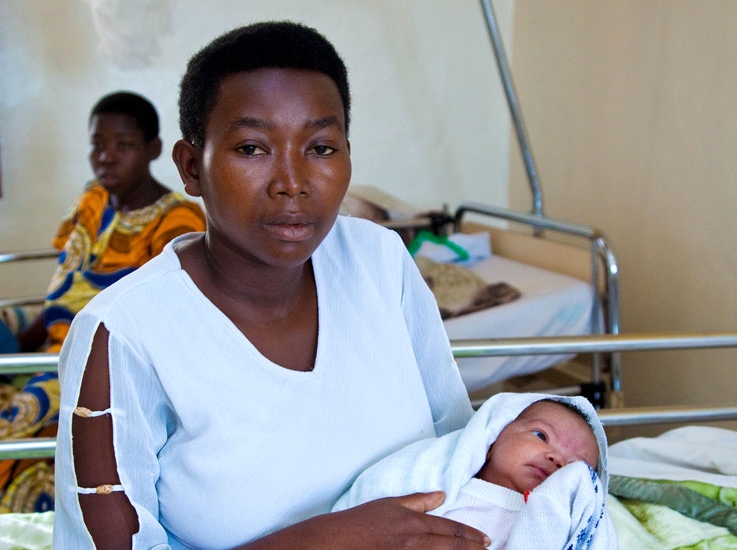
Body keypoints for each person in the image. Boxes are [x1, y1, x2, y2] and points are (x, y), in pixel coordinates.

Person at [53, 21, 490, 550]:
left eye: (322, 148)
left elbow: (457, 451)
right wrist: (330, 539)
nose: (293, 182)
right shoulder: (123, 333)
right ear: (192, 168)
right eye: (253, 148)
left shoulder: (379, 260)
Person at [0, 91, 207, 514]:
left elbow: (175, 323)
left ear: (154, 150)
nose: (106, 157)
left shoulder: (177, 221)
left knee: (9, 424)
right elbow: (60, 292)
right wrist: (8, 355)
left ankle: (29, 527)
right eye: (97, 145)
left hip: (105, 364)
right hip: (56, 352)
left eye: (123, 146)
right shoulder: (93, 201)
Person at [334, 392, 619, 549]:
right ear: (492, 438)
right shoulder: (442, 485)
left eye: (575, 467)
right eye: (541, 436)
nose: (556, 459)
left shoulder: (556, 516)